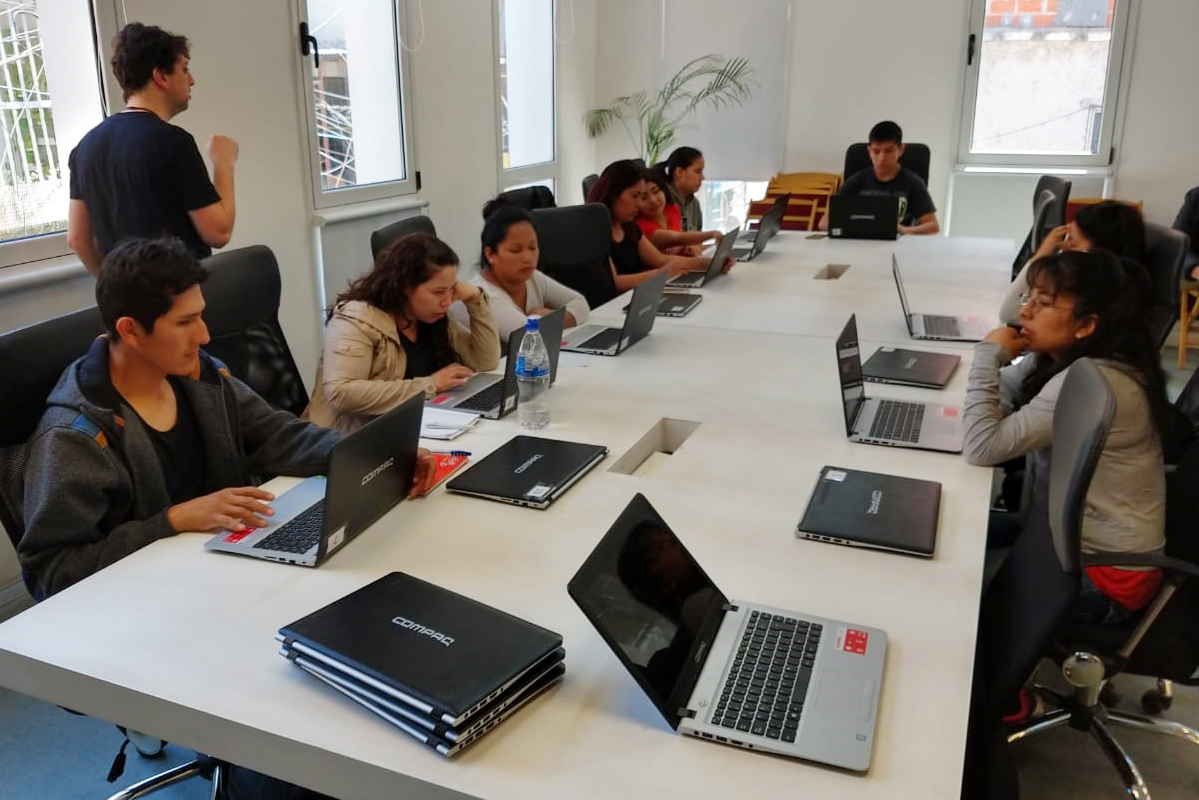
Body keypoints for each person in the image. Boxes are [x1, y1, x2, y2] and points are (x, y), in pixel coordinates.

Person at [17, 237, 437, 800]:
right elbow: (52, 572)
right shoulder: (74, 437)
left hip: (233, 575)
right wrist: (170, 520)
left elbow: (279, 435)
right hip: (153, 615)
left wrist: (375, 456)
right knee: (312, 724)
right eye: (185, 322)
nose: (205, 335)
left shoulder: (201, 377)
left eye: (202, 316)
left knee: (368, 639)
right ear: (131, 331)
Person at [963, 250, 1169, 624]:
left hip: (1103, 577)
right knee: (951, 533)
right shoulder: (1061, 356)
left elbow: (982, 446)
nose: (1024, 312)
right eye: (1029, 298)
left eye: (1042, 304)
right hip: (1054, 537)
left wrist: (988, 356)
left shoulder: (1092, 381)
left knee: (955, 586)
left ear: (1086, 325)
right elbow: (1004, 390)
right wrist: (995, 383)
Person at [67, 23, 238, 275]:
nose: (191, 80)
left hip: (127, 295)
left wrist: (114, 285)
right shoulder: (173, 142)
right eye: (184, 69)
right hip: (179, 291)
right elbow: (219, 232)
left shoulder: (84, 148)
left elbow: (78, 239)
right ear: (161, 77)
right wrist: (224, 163)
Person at [304, 233, 500, 432]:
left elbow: (485, 361)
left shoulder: (432, 317)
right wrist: (430, 385)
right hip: (358, 438)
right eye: (439, 291)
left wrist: (475, 299)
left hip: (420, 426)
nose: (448, 301)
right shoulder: (357, 319)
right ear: (405, 286)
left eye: (452, 289)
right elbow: (340, 393)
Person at [586, 160, 731, 302]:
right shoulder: (594, 231)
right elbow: (614, 282)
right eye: (635, 196)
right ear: (613, 193)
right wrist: (660, 274)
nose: (639, 204)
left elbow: (660, 260)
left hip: (635, 299)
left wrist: (710, 264)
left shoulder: (630, 228)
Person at [451, 198, 589, 346]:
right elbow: (530, 337)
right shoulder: (484, 296)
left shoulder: (532, 278)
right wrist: (553, 318)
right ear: (490, 254)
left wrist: (546, 315)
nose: (527, 258)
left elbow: (580, 304)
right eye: (515, 250)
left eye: (532, 247)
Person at [998, 200, 1147, 325]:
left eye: (1072, 242)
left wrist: (1041, 255)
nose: (1063, 249)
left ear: (1100, 253)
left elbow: (1010, 313)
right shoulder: (1118, 284)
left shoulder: (1087, 295)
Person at [818, 121, 939, 235]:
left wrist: (903, 230)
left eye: (889, 151)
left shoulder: (913, 182)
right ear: (869, 151)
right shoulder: (855, 181)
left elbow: (933, 227)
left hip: (898, 243)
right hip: (859, 242)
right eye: (876, 151)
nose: (882, 158)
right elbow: (824, 223)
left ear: (901, 150)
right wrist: (854, 227)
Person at [636, 167, 722, 255]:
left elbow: (684, 245)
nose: (653, 200)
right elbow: (677, 238)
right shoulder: (640, 227)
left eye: (656, 191)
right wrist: (712, 234)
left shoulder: (671, 209)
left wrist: (719, 246)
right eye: (644, 198)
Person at [660, 146, 707, 232]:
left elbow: (698, 236)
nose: (702, 178)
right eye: (697, 171)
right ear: (679, 172)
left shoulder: (694, 203)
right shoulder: (661, 201)